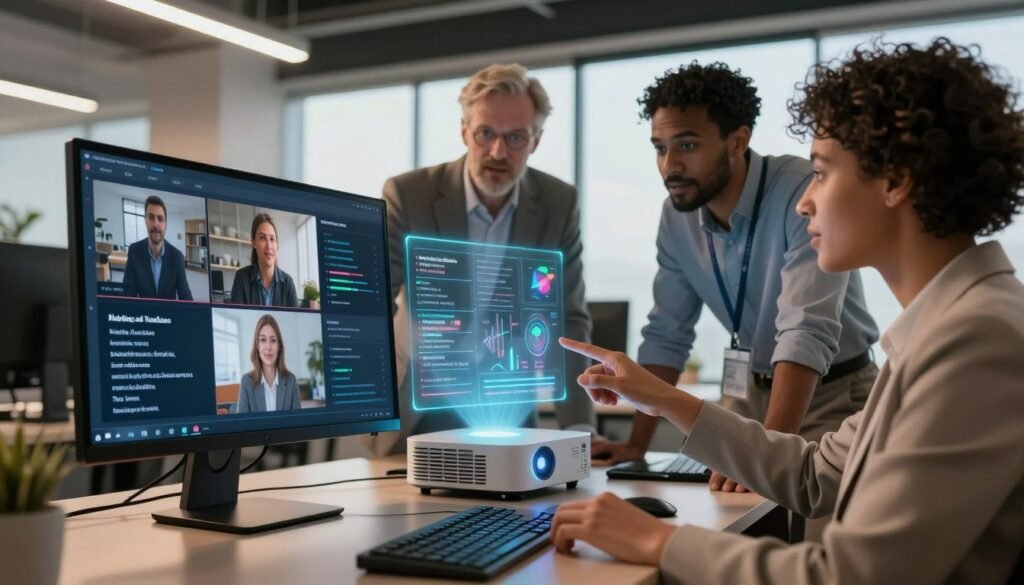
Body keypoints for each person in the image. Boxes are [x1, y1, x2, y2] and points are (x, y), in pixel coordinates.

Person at [551, 38, 1024, 584]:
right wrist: (657, 395)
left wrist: (656, 541)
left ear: (895, 180)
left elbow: (851, 575)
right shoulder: (945, 328)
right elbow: (812, 473)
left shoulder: (977, 341)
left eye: (822, 172)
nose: (805, 200)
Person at [597, 62, 880, 497]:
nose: (670, 165)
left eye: (687, 144)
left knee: (813, 544)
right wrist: (636, 445)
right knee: (724, 523)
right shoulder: (677, 217)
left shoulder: (800, 192)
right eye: (660, 147)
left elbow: (804, 330)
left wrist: (763, 456)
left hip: (833, 395)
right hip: (746, 395)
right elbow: (667, 334)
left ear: (738, 140)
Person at [365, 63, 595, 456]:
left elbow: (568, 318)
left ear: (536, 140)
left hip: (507, 407)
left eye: (516, 137)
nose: (498, 152)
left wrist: (577, 427)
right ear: (464, 131)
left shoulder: (558, 203)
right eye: (485, 133)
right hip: (419, 402)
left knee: (515, 517)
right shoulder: (409, 194)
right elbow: (372, 307)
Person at [121, 195, 193, 300]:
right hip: (144, 315)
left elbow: (187, 299)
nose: (156, 224)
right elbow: (127, 296)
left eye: (160, 219)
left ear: (165, 225)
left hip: (168, 315)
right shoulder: (134, 251)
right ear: (145, 221)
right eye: (151, 218)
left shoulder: (177, 257)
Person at [230, 213, 299, 307]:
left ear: (277, 245)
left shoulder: (288, 283)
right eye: (262, 238)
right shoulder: (241, 278)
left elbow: (294, 321)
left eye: (272, 239)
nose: (269, 246)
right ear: (253, 243)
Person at [237, 314, 301, 413]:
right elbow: (241, 426)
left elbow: (299, 424)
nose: (268, 347)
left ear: (279, 346)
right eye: (263, 340)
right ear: (257, 345)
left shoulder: (291, 381)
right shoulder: (246, 382)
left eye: (273, 340)